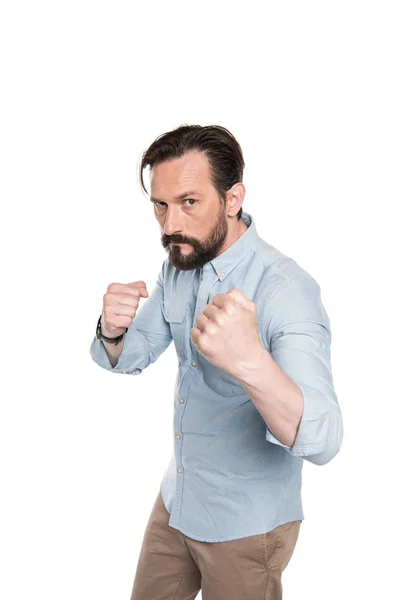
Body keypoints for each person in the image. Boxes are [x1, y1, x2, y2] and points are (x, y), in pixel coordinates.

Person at [89, 124, 343, 599]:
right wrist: (112, 330)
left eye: (188, 202)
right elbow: (134, 354)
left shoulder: (286, 290)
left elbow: (324, 439)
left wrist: (250, 361)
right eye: (160, 206)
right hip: (180, 499)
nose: (169, 226)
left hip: (247, 525)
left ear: (232, 198)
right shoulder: (180, 263)